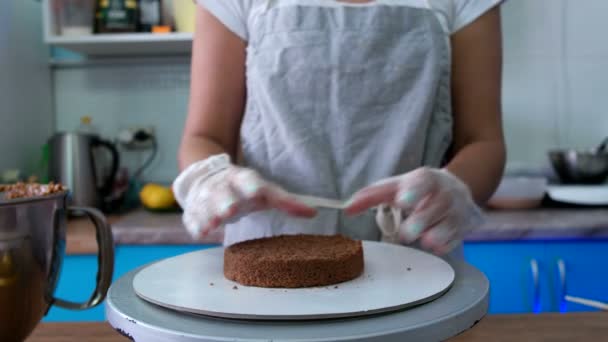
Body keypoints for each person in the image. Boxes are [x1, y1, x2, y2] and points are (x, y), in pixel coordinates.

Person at [173, 0, 506, 258]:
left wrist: (455, 187)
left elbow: (483, 142)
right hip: (267, 258)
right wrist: (210, 178)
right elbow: (205, 136)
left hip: (415, 260)